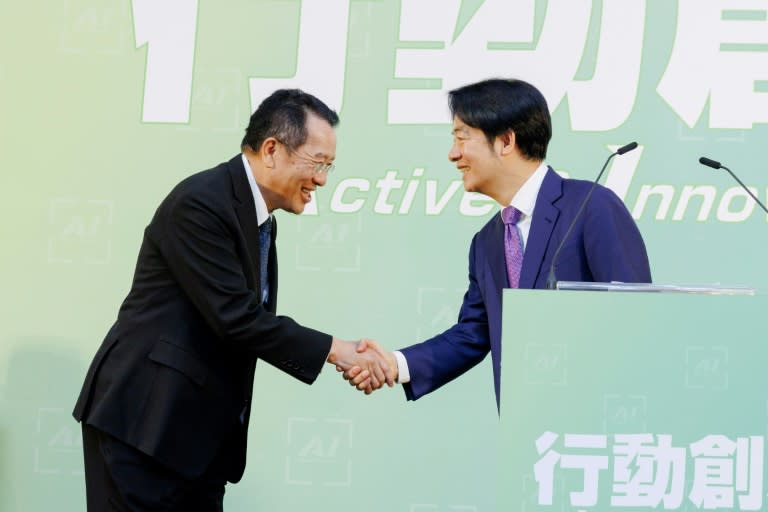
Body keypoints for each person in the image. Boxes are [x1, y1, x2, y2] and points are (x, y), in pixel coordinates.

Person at [72, 89, 393, 511]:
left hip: (195, 443)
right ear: (272, 149)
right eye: (317, 164)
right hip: (144, 428)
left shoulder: (258, 221)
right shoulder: (201, 202)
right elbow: (237, 319)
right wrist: (338, 351)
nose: (321, 180)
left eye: (329, 167)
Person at [342, 78, 651, 409]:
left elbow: (634, 317)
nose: (453, 154)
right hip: (526, 425)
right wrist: (395, 365)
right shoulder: (487, 241)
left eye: (462, 137)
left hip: (597, 418)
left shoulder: (591, 206)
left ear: (506, 140)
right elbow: (472, 335)